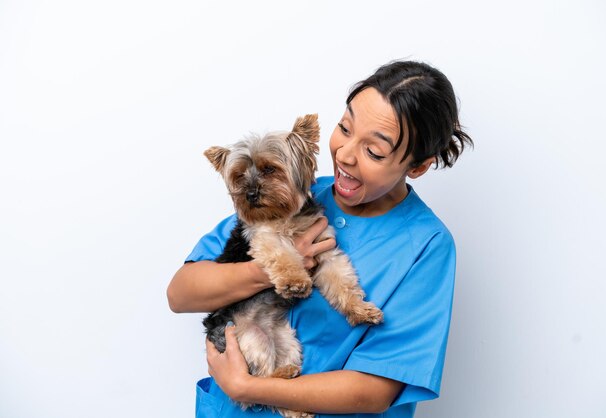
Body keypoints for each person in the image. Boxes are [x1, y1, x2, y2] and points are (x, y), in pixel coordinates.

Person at [167, 60, 473, 417]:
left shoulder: (427, 245)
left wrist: (247, 386)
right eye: (345, 128)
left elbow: (373, 391)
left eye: (374, 151)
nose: (344, 155)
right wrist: (269, 270)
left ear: (417, 167)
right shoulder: (292, 192)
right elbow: (181, 293)